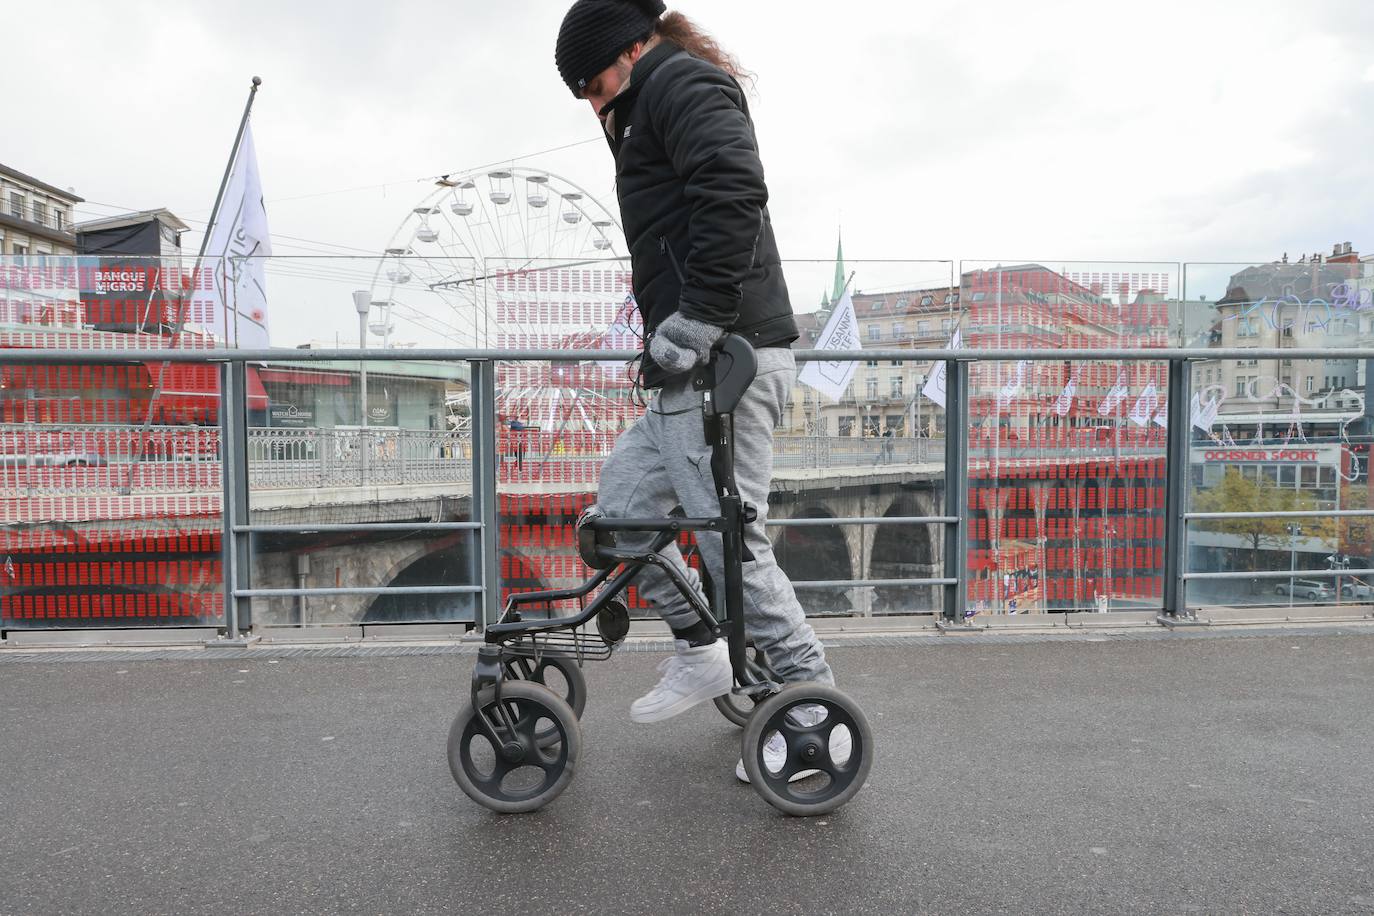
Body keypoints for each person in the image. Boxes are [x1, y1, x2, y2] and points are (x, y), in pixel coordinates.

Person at [555, 0, 842, 781]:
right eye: (578, 91)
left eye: (592, 81)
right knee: (617, 517)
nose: (591, 101)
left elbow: (734, 191)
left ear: (631, 49)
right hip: (691, 367)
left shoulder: (680, 86)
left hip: (726, 361)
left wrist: (697, 321)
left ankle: (815, 716)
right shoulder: (647, 104)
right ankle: (700, 648)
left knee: (730, 543)